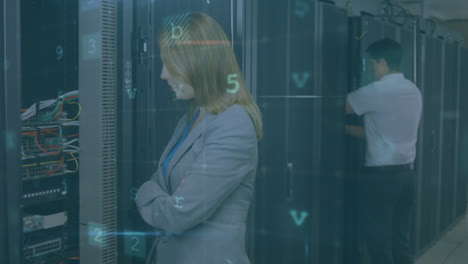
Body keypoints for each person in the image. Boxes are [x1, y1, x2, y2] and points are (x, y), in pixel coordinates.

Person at [135, 12, 263, 264]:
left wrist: (143, 194)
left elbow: (179, 214)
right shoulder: (191, 118)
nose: (163, 74)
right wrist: (162, 196)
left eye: (169, 64)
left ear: (199, 62)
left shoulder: (233, 123)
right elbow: (161, 184)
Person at [345, 38, 422, 264]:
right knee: (400, 241)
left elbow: (339, 105)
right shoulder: (413, 91)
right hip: (406, 177)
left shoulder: (376, 90)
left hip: (381, 180)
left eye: (372, 64)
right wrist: (348, 130)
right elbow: (386, 131)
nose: (370, 68)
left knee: (377, 244)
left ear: (383, 62)